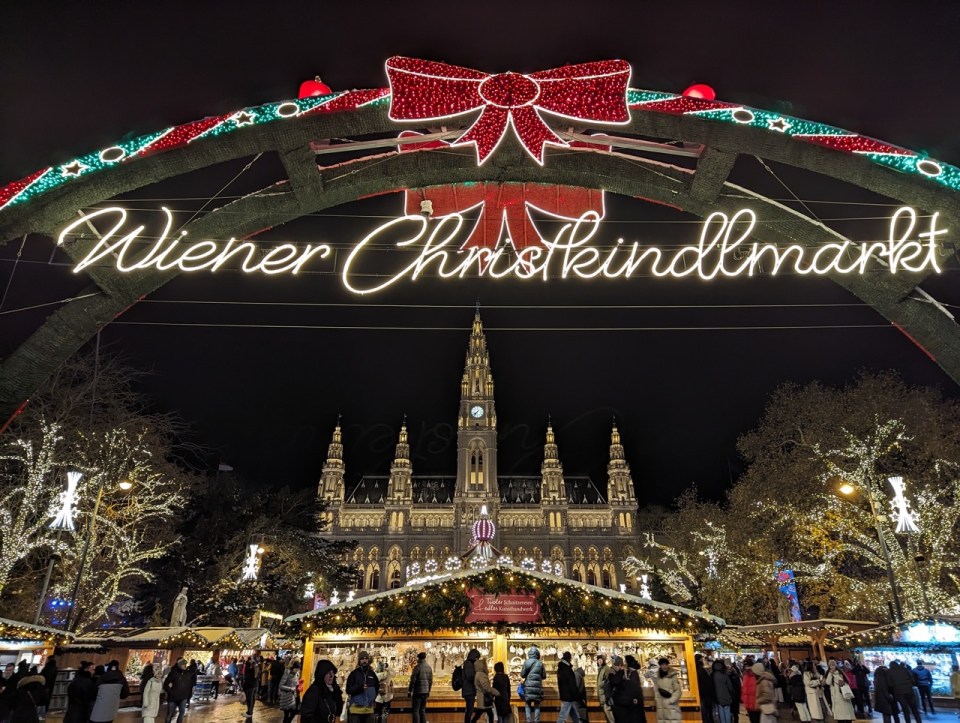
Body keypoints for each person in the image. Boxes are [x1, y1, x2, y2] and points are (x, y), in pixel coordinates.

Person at [345, 650, 379, 723]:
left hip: (369, 710)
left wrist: (372, 698)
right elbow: (348, 690)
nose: (364, 661)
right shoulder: (354, 674)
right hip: (355, 711)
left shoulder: (372, 674)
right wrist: (360, 688)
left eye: (366, 658)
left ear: (368, 660)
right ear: (359, 661)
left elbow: (377, 687)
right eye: (362, 659)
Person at [608, 656, 641, 723]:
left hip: (623, 704)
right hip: (625, 704)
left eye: (625, 662)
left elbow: (615, 682)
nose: (624, 664)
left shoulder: (627, 672)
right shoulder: (631, 672)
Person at [649, 658, 681, 723]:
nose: (664, 666)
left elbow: (678, 691)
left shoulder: (672, 675)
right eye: (662, 664)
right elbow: (656, 689)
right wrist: (657, 699)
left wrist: (671, 701)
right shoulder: (657, 676)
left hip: (671, 706)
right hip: (660, 706)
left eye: (665, 664)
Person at [520, 646, 546, 723]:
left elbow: (522, 675)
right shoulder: (540, 663)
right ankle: (536, 721)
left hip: (528, 687)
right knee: (537, 705)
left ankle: (528, 721)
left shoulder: (526, 662)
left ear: (529, 654)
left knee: (527, 705)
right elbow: (544, 676)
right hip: (537, 687)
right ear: (537, 654)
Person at [163, 659, 192, 723]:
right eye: (183, 664)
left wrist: (187, 695)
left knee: (182, 713)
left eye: (185, 664)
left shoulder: (187, 674)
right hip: (173, 698)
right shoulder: (173, 673)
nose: (185, 665)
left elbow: (189, 685)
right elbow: (165, 685)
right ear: (179, 665)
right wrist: (172, 693)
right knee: (170, 714)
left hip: (183, 697)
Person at [556, 652, 581, 723]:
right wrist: (576, 695)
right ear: (569, 659)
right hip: (568, 695)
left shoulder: (561, 668)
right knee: (563, 716)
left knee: (573, 713)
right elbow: (572, 683)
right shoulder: (567, 669)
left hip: (564, 694)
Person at [471, 658, 497, 723]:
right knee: (486, 714)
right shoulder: (481, 675)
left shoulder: (477, 674)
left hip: (482, 697)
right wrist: (495, 692)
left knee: (485, 714)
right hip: (484, 698)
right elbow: (486, 687)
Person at [409, 652, 433, 723]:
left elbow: (413, 680)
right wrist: (428, 691)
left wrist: (410, 690)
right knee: (422, 710)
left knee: (416, 710)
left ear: (419, 659)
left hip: (418, 692)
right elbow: (430, 681)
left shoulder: (417, 667)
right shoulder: (429, 667)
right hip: (425, 692)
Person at [694, 655, 714, 723]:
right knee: (707, 710)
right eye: (702, 659)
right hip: (705, 693)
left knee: (704, 711)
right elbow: (707, 682)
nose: (704, 660)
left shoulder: (697, 669)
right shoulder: (702, 670)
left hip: (702, 693)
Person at [463, 649, 481, 723]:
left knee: (469, 709)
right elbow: (470, 677)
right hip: (469, 690)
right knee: (469, 710)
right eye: (477, 658)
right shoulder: (469, 664)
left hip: (468, 690)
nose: (477, 660)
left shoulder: (468, 663)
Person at [596, 655, 615, 723]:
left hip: (605, 697)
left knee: (610, 716)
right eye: (598, 660)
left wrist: (602, 684)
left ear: (604, 660)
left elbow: (609, 682)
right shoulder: (600, 669)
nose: (599, 661)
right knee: (607, 716)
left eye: (601, 659)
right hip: (602, 696)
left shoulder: (606, 669)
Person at [572, 659, 588, 723]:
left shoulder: (576, 675)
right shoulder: (579, 674)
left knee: (578, 718)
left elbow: (575, 688)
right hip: (580, 700)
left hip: (577, 701)